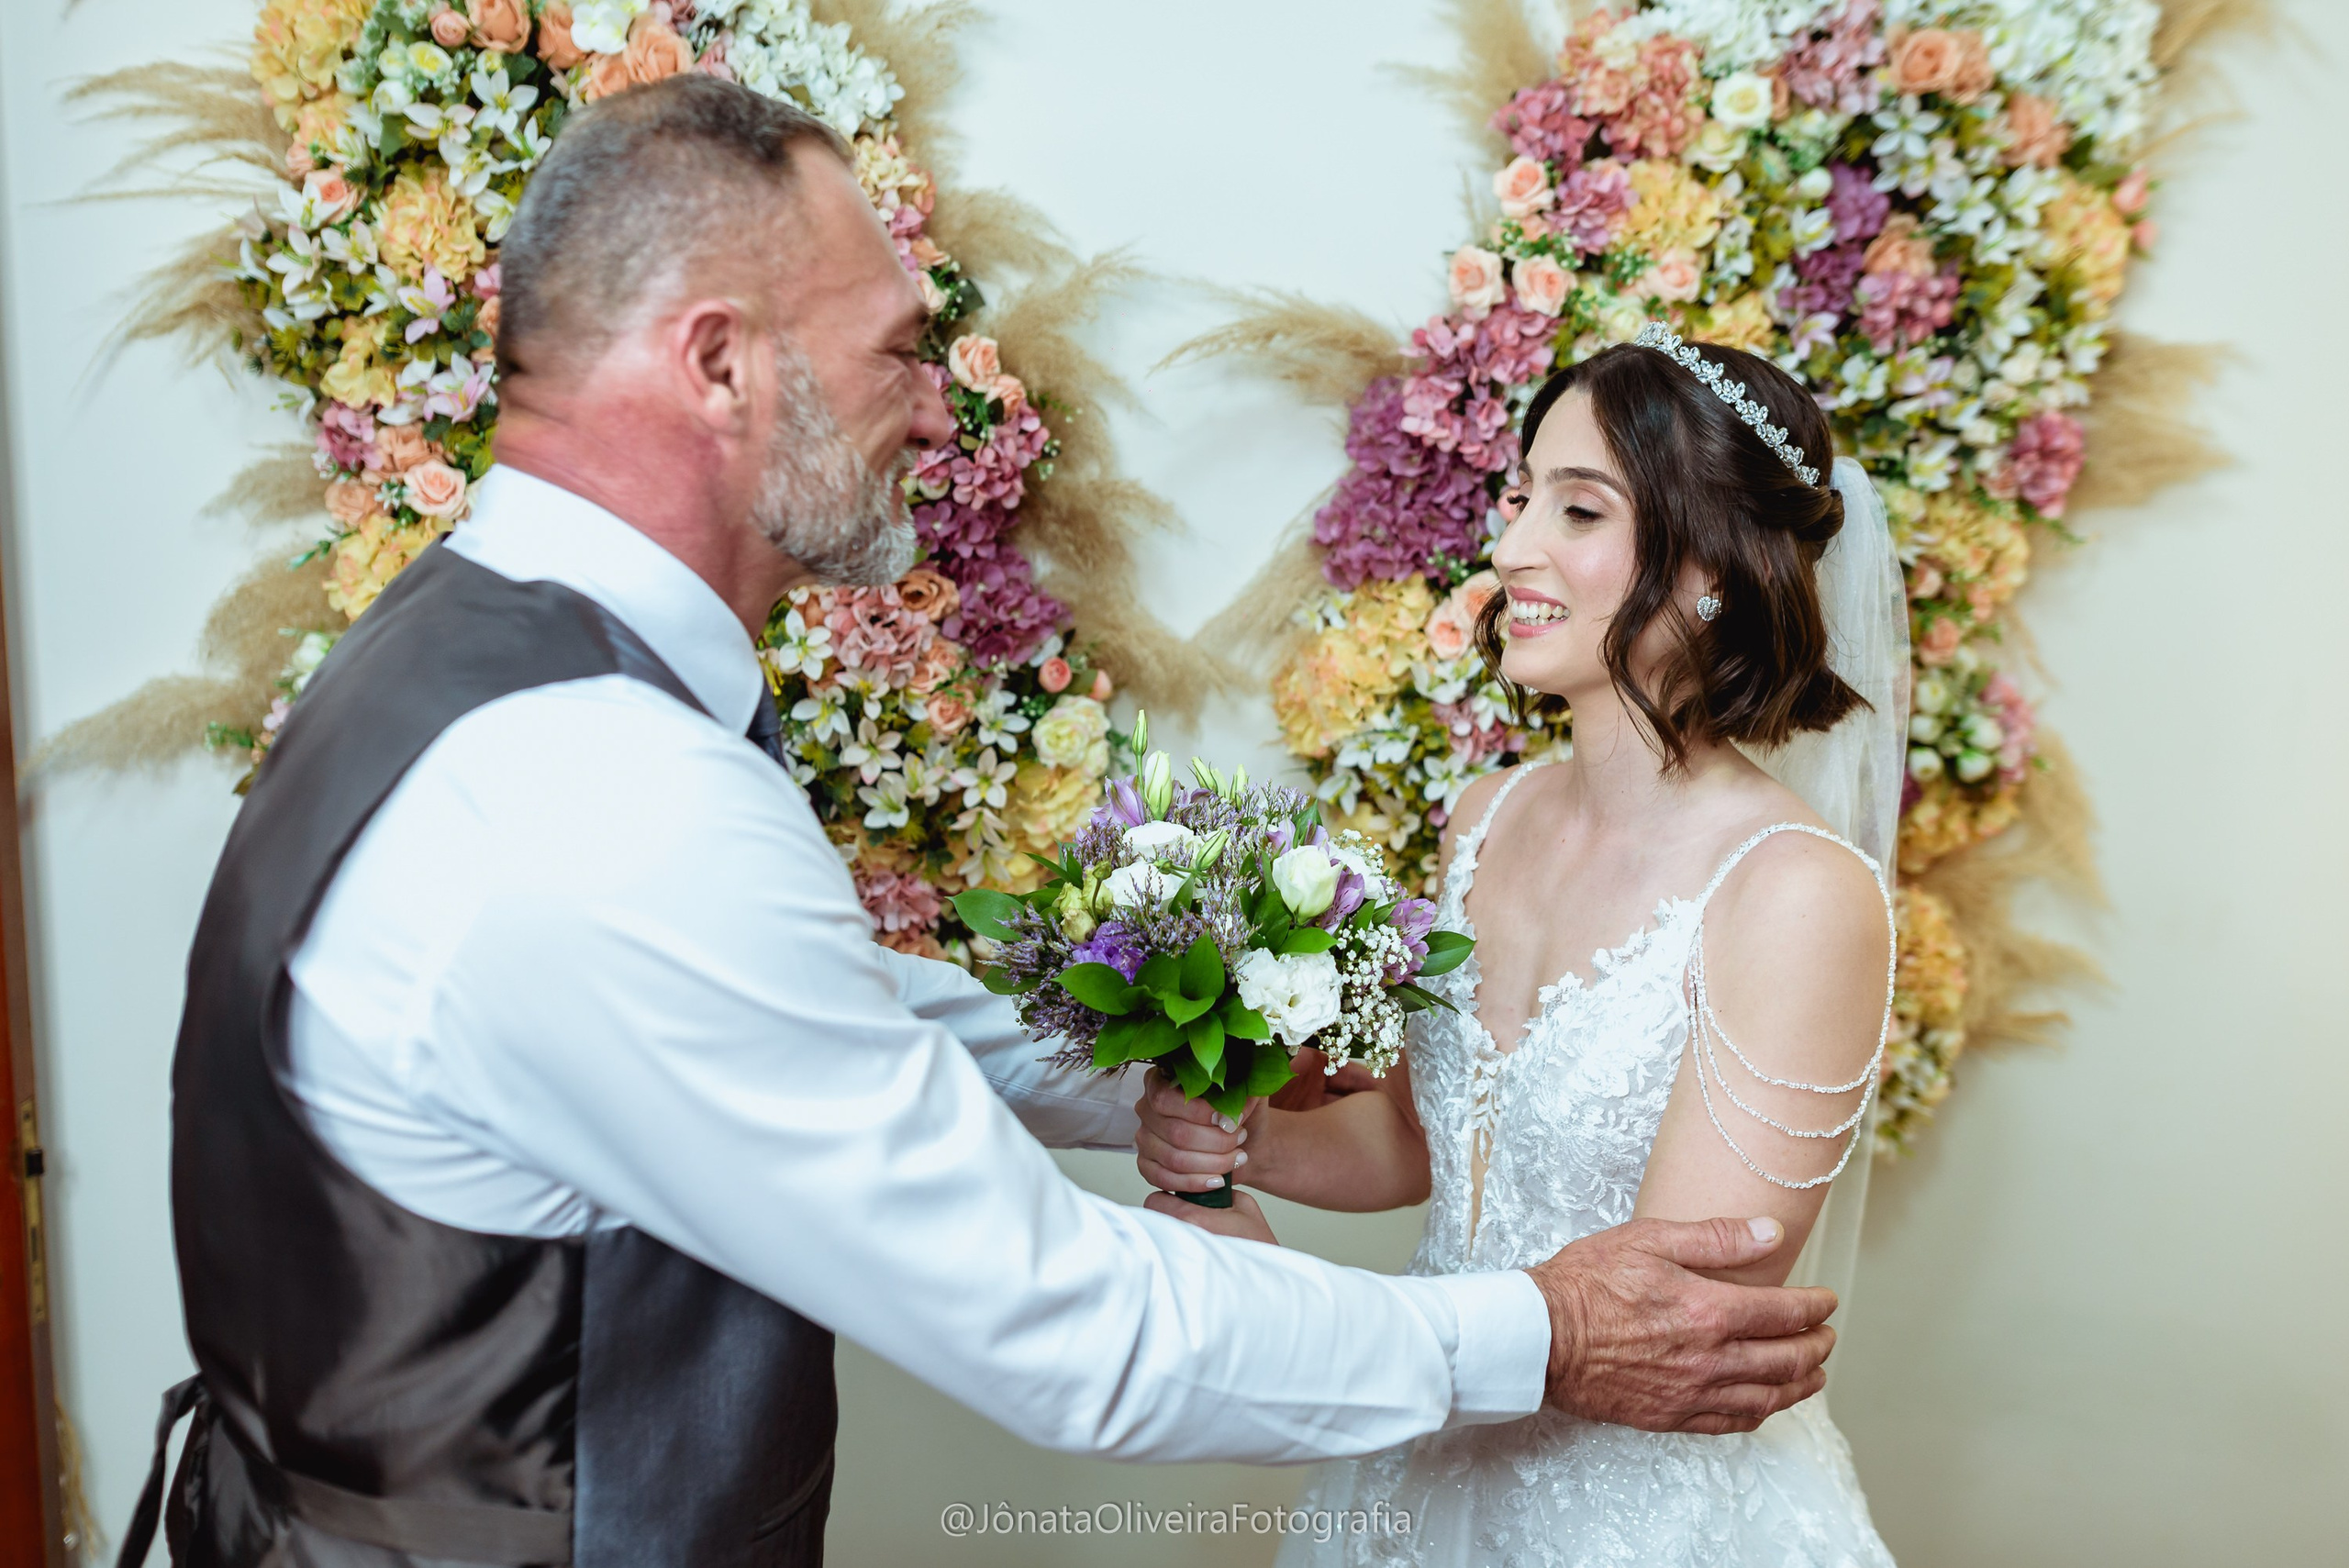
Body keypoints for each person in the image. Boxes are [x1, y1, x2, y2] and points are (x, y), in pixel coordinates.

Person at [124, 78, 1841, 1568]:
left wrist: (1154, 1080)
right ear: (720, 365)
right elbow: (1064, 1325)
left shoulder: (480, 653)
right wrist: (1531, 1332)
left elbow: (826, 1012)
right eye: (892, 351)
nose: (940, 407)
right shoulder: (599, 791)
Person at [1138, 328, 1909, 1564]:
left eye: (1579, 507)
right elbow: (1422, 1137)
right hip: (1415, 1469)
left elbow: (1676, 1322)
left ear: (1710, 566)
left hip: (1637, 1515)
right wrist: (1246, 1138)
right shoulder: (1485, 816)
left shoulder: (1797, 894)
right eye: (1518, 494)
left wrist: (1311, 1332)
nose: (1509, 549)